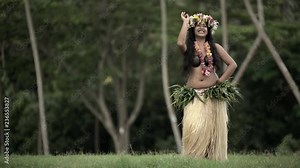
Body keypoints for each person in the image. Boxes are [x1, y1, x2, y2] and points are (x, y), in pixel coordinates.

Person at [176, 12, 237, 161]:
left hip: (212, 95)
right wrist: (185, 21)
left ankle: (211, 159)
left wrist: (221, 80)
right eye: (198, 26)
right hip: (194, 95)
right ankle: (193, 157)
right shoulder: (189, 48)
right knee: (194, 128)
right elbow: (179, 43)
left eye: (204, 26)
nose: (201, 28)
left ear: (209, 29)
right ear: (193, 29)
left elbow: (232, 64)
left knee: (211, 131)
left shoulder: (215, 47)